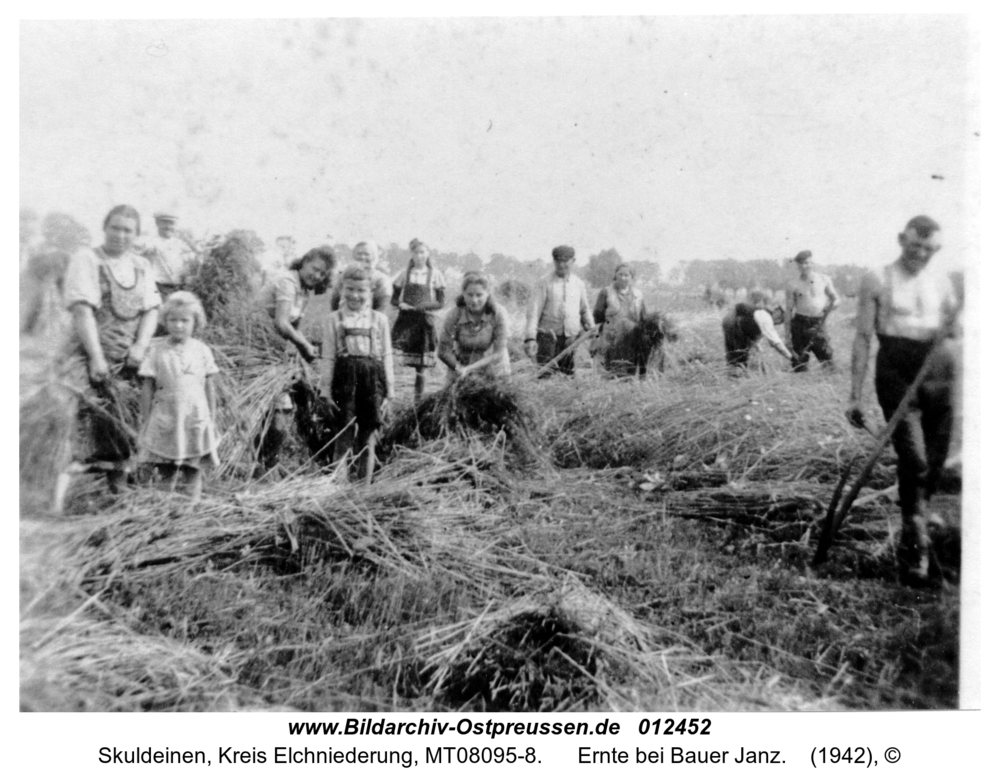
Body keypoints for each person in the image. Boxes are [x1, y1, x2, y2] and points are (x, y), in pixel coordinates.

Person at [846, 215, 960, 586]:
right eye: (915, 246)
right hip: (897, 372)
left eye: (930, 249)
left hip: (940, 373)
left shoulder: (942, 281)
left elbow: (956, 331)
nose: (922, 254)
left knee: (935, 465)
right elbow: (864, 337)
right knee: (916, 459)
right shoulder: (877, 278)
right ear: (901, 240)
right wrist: (855, 396)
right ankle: (916, 554)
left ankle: (918, 536)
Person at [57, 204, 161, 504]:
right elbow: (82, 311)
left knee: (124, 425)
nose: (120, 235)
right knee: (83, 422)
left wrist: (140, 346)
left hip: (128, 361)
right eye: (115, 227)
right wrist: (96, 357)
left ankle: (119, 491)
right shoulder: (88, 259)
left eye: (128, 230)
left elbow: (151, 310)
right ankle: (59, 500)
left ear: (136, 235)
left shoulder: (141, 265)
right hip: (91, 355)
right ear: (104, 228)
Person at [137, 292, 219, 500]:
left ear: (195, 322)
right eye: (173, 320)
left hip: (195, 418)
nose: (179, 325)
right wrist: (146, 419)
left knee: (193, 467)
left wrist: (212, 417)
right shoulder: (156, 351)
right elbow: (148, 387)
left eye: (185, 320)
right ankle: (166, 509)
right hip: (167, 417)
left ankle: (192, 507)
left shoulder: (202, 350)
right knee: (166, 467)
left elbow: (210, 387)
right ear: (164, 321)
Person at [319, 263, 395, 484]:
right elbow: (328, 357)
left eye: (361, 290)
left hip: (372, 382)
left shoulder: (379, 320)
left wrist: (390, 392)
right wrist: (325, 391)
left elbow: (387, 356)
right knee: (343, 437)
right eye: (349, 289)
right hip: (344, 381)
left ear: (371, 292)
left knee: (368, 439)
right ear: (341, 290)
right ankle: (338, 490)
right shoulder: (333, 320)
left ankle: (365, 492)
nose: (355, 295)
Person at [524, 245, 595, 376]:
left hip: (571, 340)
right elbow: (533, 313)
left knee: (567, 376)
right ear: (554, 261)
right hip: (548, 339)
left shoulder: (578, 284)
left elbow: (584, 310)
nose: (561, 265)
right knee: (545, 375)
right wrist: (530, 338)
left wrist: (591, 326)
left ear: (573, 261)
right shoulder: (544, 282)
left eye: (565, 261)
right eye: (558, 261)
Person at [390, 239, 447, 402]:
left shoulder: (435, 274)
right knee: (395, 360)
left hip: (424, 322)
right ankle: (391, 397)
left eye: (423, 252)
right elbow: (394, 299)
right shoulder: (404, 273)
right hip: (406, 321)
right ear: (412, 254)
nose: (419, 256)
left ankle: (418, 401)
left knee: (421, 366)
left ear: (428, 254)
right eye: (416, 252)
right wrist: (402, 304)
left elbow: (440, 302)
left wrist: (424, 306)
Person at [258, 246, 336, 362]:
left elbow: (295, 328)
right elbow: (282, 323)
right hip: (255, 335)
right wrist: (304, 345)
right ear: (304, 262)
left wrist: (308, 347)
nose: (317, 276)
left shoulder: (304, 292)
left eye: (322, 274)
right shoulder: (287, 282)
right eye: (315, 269)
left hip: (269, 340)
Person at [438, 271, 512, 384]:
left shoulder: (498, 313)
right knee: (456, 396)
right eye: (470, 295)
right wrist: (459, 368)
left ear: (487, 294)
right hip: (462, 363)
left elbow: (498, 352)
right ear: (463, 294)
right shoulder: (454, 314)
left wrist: (470, 369)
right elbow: (443, 351)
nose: (474, 300)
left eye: (479, 295)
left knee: (498, 396)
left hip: (492, 362)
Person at [785, 250, 840, 371]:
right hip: (799, 324)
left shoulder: (824, 279)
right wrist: (787, 335)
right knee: (799, 365)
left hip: (818, 323)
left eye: (806, 263)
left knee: (828, 362)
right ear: (797, 265)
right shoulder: (792, 284)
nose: (804, 266)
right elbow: (788, 310)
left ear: (812, 263)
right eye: (800, 264)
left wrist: (833, 305)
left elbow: (835, 298)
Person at [592, 262, 648, 374]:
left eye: (626, 275)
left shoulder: (638, 295)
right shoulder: (606, 292)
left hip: (631, 338)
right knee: (612, 370)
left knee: (629, 369)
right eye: (620, 274)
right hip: (611, 339)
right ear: (615, 275)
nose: (623, 278)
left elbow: (643, 316)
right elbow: (598, 315)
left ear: (632, 277)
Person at [721, 290, 795, 370]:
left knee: (736, 354)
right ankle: (736, 374)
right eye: (780, 318)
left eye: (782, 321)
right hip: (734, 322)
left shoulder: (762, 314)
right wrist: (791, 358)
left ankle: (734, 373)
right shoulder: (765, 317)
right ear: (777, 311)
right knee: (739, 355)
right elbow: (775, 342)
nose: (779, 322)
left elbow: (755, 339)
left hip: (732, 321)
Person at [136, 212, 197, 300]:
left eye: (171, 223)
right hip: (158, 290)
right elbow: (138, 247)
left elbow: (192, 262)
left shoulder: (180, 244)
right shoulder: (151, 241)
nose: (168, 227)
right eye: (164, 223)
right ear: (157, 224)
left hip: (179, 290)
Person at [329, 241, 393, 316]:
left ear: (374, 256)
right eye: (359, 254)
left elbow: (382, 307)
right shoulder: (343, 276)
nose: (362, 257)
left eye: (367, 254)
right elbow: (334, 302)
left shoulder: (382, 280)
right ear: (353, 256)